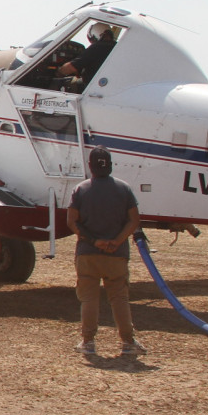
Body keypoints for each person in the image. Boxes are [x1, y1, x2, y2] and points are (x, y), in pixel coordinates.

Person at [67, 146, 147, 358]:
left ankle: (88, 341)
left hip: (88, 253)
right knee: (119, 298)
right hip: (117, 254)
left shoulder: (80, 189)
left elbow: (72, 221)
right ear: (110, 165)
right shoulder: (124, 189)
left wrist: (96, 241)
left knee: (89, 299)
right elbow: (134, 220)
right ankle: (128, 342)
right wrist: (116, 241)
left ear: (90, 166)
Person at [57, 22, 119, 87]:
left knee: (63, 83)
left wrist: (59, 71)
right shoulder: (117, 46)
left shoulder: (97, 47)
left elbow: (70, 68)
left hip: (93, 86)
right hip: (108, 84)